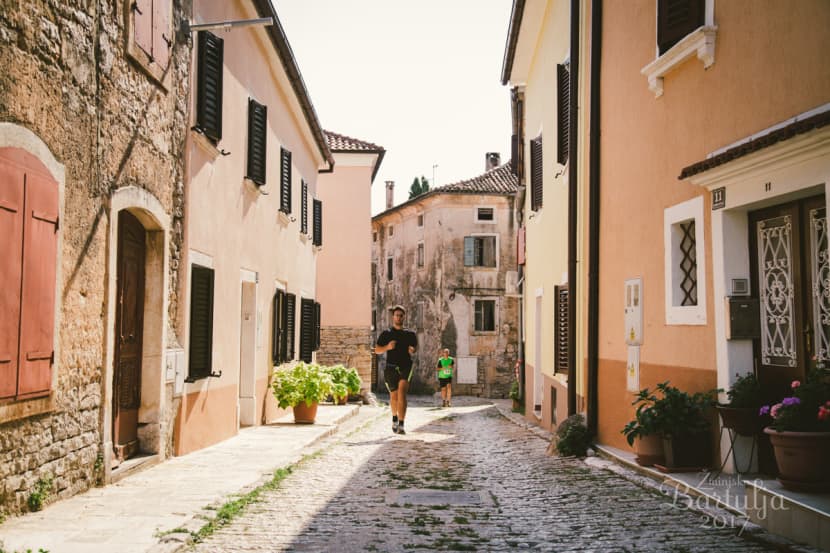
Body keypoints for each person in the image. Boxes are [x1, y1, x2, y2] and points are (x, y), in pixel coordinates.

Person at [375, 305, 418, 435]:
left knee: (402, 393)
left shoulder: (410, 334)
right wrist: (387, 347)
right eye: (396, 315)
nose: (398, 317)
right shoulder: (386, 333)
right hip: (391, 367)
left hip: (406, 366)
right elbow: (377, 350)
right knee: (394, 396)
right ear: (393, 317)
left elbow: (414, 348)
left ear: (404, 317)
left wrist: (412, 350)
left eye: (401, 315)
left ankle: (401, 424)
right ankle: (394, 418)